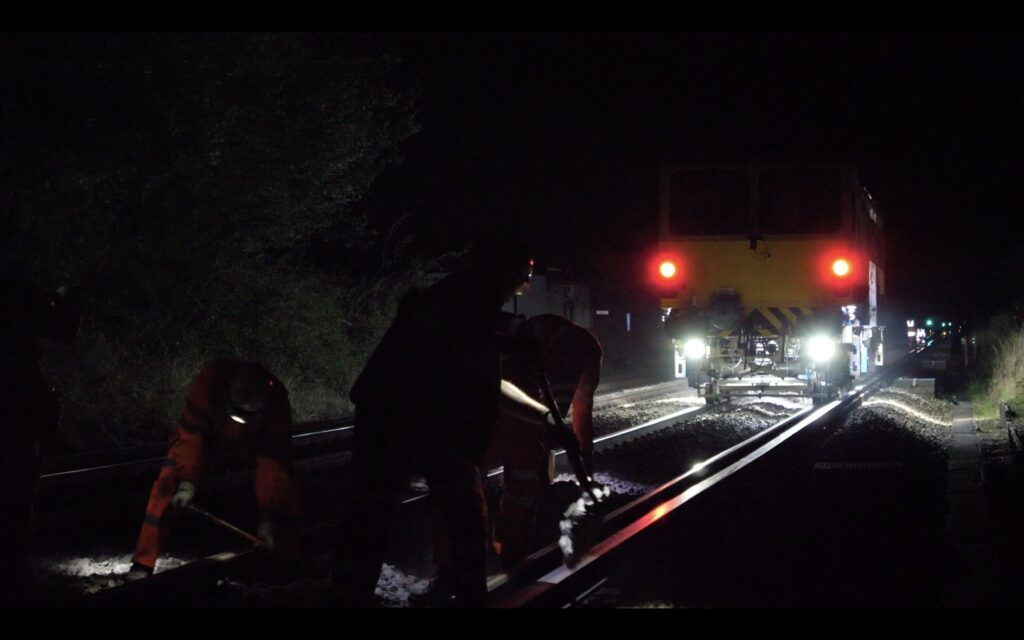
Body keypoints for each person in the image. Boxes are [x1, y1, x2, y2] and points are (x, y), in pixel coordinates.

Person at [331, 237, 542, 607]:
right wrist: (513, 350)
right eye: (519, 278)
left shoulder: (458, 299)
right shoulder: (467, 302)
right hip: (406, 414)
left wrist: (511, 358)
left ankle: (352, 595)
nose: (518, 288)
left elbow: (476, 368)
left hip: (403, 411)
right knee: (446, 510)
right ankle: (467, 597)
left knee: (378, 512)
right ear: (502, 272)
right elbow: (466, 370)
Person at [127, 358, 300, 578]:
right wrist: (187, 482)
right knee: (168, 481)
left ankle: (285, 557)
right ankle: (143, 562)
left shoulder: (277, 406)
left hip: (251, 443)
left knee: (287, 490)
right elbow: (190, 436)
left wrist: (268, 516)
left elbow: (273, 466)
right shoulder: (209, 381)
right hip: (210, 438)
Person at [0, 278, 80, 606]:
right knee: (15, 499)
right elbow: (65, 331)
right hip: (16, 421)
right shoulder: (19, 299)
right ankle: (13, 578)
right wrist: (66, 301)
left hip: (17, 417)